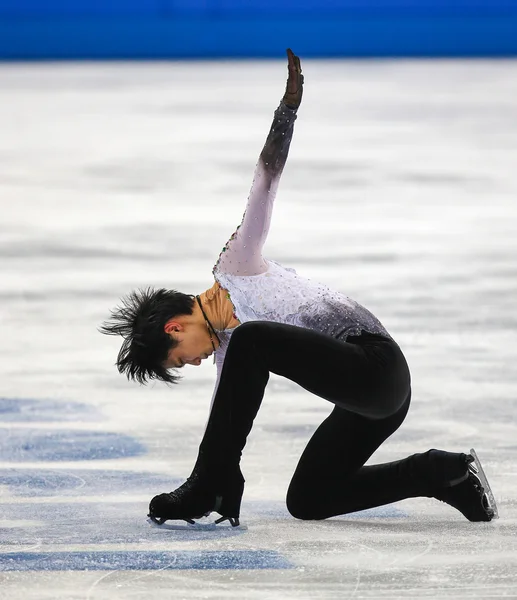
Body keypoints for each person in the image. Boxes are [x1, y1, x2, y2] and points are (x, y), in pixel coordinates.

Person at [101, 49, 497, 527]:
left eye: (181, 355)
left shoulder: (236, 267)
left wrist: (286, 111)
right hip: (370, 404)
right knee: (308, 499)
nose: (196, 361)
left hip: (377, 367)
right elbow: (221, 423)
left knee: (252, 340)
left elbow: (264, 184)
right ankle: (443, 474)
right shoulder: (235, 350)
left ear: (174, 324)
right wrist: (217, 464)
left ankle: (209, 486)